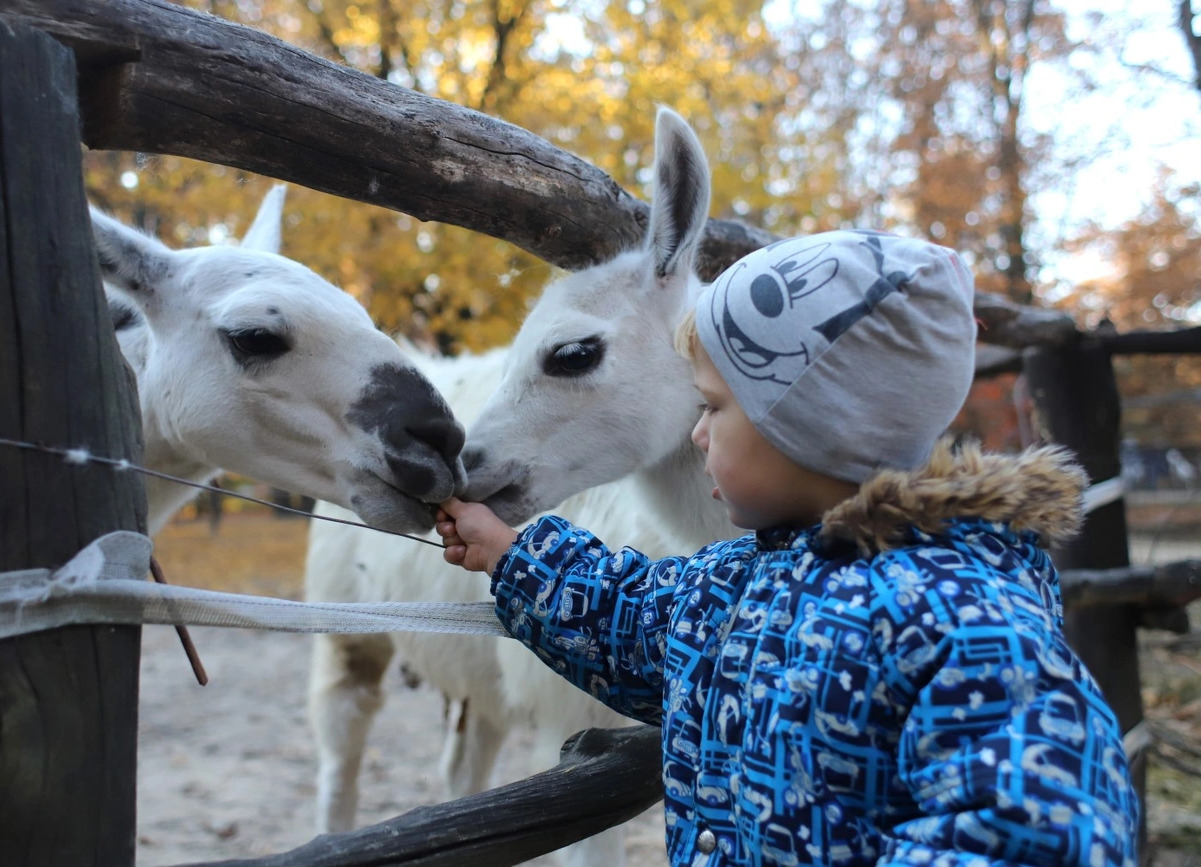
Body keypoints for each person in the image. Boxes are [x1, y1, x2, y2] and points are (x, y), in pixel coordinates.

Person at [435, 230, 1139, 866]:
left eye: (714, 407)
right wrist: (511, 553)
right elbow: (629, 622)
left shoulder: (967, 622)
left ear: (815, 424)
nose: (697, 434)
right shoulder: (740, 580)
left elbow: (1045, 832)